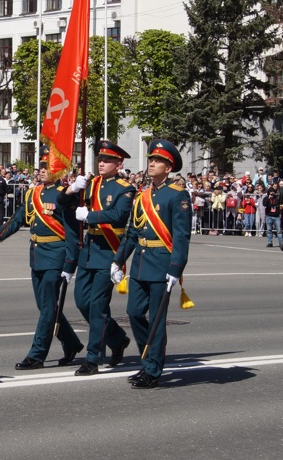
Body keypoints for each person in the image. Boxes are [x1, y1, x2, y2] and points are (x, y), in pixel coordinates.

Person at [0, 145, 84, 370]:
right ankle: (71, 343)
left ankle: (37, 355)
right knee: (45, 306)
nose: (40, 171)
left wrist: (71, 262)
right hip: (37, 255)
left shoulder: (65, 195)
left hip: (57, 255)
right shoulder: (33, 193)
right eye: (39, 167)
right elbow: (18, 218)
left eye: (46, 167)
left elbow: (72, 231)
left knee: (48, 307)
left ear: (57, 171)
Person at [110, 139, 191, 389]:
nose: (152, 163)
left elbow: (181, 236)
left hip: (162, 266)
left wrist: (176, 269)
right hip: (141, 265)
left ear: (169, 168)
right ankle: (149, 359)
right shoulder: (143, 195)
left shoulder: (177, 196)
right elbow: (133, 233)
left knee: (156, 319)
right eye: (151, 160)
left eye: (158, 161)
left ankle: (153, 369)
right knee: (134, 312)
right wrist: (118, 261)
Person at [58, 140, 135, 376]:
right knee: (83, 302)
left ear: (118, 163)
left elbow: (118, 215)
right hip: (89, 251)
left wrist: (90, 215)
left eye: (107, 160)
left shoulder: (125, 188)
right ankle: (118, 338)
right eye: (100, 159)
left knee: (98, 307)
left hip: (109, 251)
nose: (101, 163)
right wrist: (71, 190)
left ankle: (92, 358)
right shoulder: (91, 184)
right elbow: (63, 205)